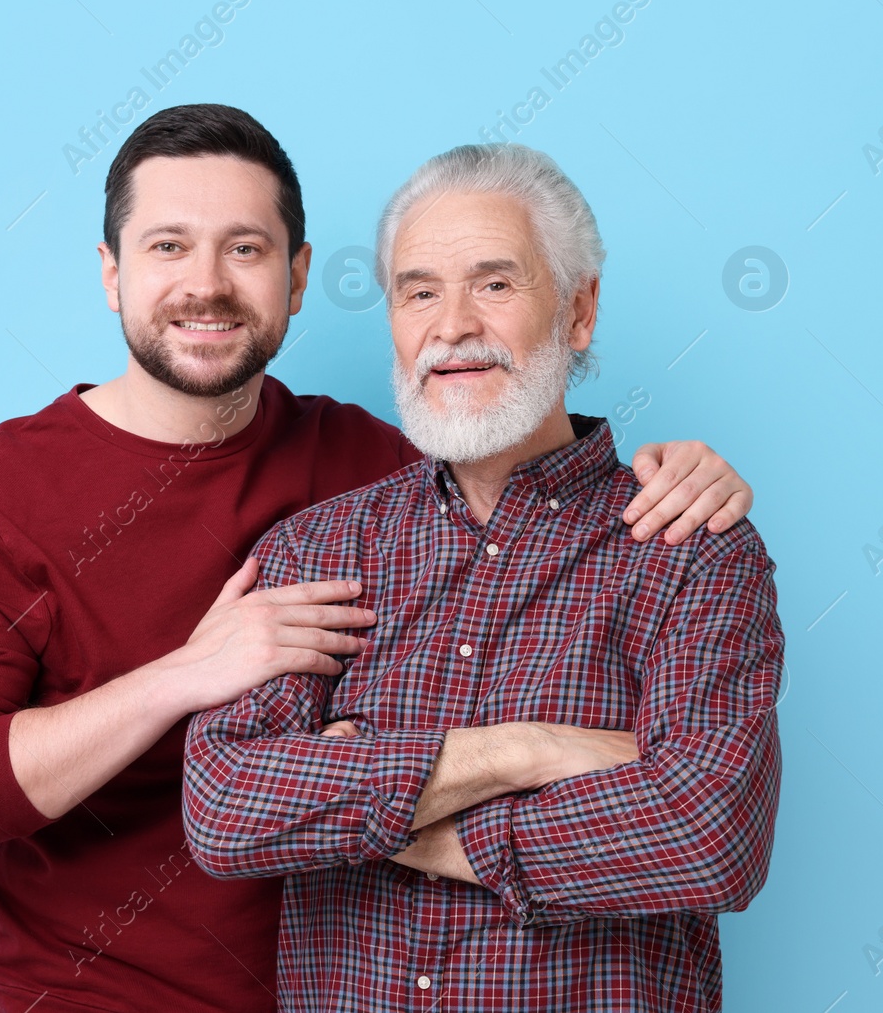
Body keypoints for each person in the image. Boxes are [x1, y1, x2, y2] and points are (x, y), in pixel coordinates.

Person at [0, 105, 756, 1013]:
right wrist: (185, 675)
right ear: (111, 273)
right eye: (168, 247)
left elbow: (516, 459)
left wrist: (686, 473)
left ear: (297, 278)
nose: (205, 285)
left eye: (246, 249)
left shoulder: (370, 465)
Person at [182, 141, 783, 1012]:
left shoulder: (693, 547)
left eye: (495, 284)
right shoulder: (314, 550)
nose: (452, 324)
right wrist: (525, 751)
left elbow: (707, 833)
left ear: (579, 312)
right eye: (419, 290)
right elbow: (228, 810)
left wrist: (376, 811)